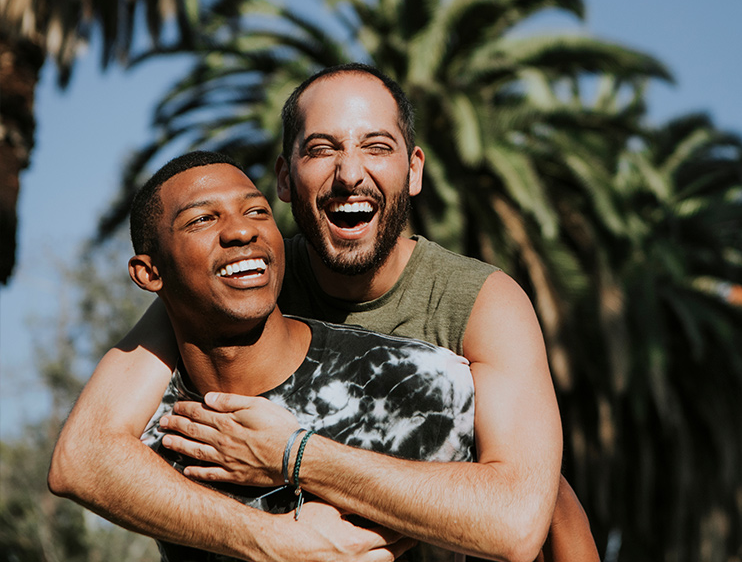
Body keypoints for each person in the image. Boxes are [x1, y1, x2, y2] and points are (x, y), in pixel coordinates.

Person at [48, 64, 598, 561]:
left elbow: (521, 517)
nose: (350, 174)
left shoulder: (480, 302)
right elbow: (84, 456)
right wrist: (277, 540)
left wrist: (293, 454)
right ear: (286, 179)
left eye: (376, 147)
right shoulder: (246, 282)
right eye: (321, 149)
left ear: (414, 171)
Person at [127, 151, 477, 560]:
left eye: (257, 211)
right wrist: (279, 542)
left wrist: (299, 456)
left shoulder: (409, 380)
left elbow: (540, 508)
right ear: (150, 274)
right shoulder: (149, 433)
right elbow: (77, 464)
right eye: (203, 219)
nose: (241, 231)